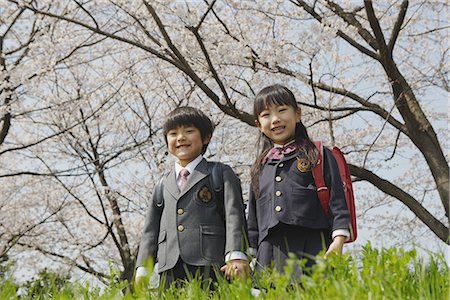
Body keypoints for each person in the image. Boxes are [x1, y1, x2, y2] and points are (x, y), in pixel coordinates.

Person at [135, 106, 249, 290]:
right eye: (173, 133)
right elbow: (150, 230)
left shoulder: (220, 173)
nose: (181, 137)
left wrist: (236, 254)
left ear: (206, 137)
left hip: (211, 263)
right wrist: (143, 268)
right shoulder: (162, 183)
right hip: (169, 267)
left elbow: (234, 215)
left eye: (189, 131)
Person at [247, 84, 350, 279]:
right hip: (270, 253)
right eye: (266, 114)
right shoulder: (259, 167)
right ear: (258, 124)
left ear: (298, 114)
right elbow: (253, 218)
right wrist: (250, 256)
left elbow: (337, 201)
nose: (275, 119)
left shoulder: (318, 154)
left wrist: (338, 241)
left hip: (313, 246)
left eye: (282, 110)